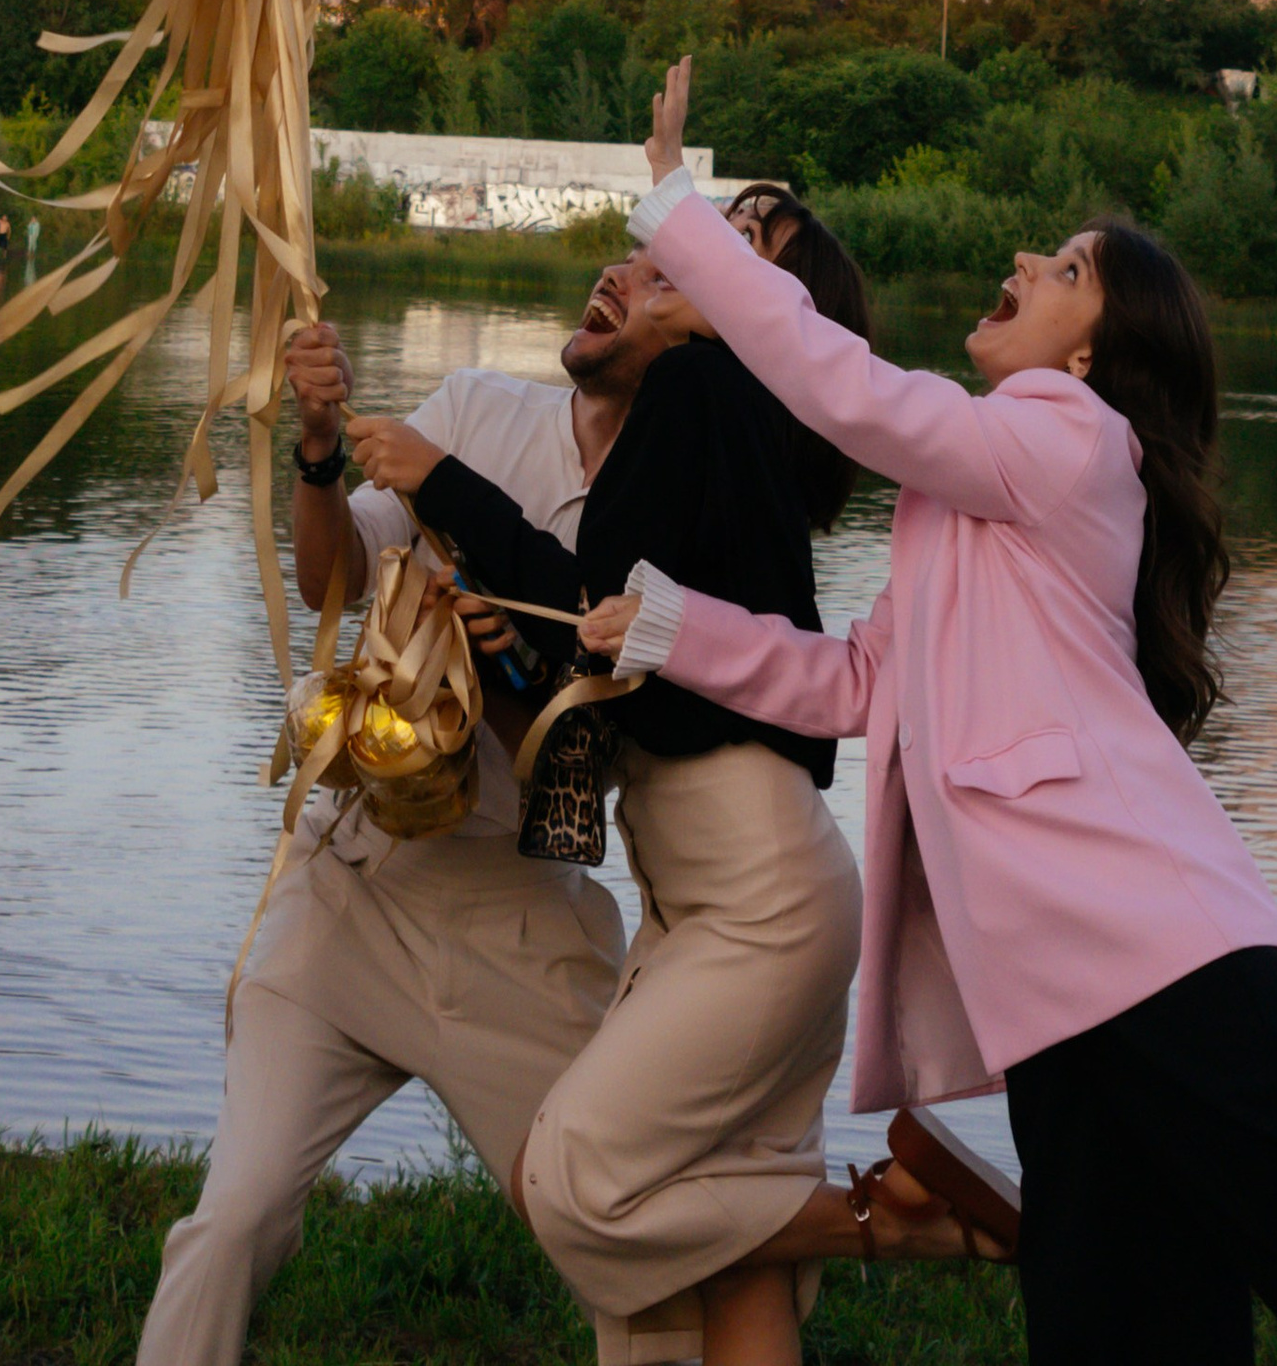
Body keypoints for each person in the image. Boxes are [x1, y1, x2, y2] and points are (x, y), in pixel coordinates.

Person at [582, 65, 1277, 1366]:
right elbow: (855, 681)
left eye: (1068, 268)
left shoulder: (1067, 441)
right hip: (1057, 1006)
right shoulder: (974, 501)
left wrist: (678, 206)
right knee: (1122, 1330)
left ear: (1088, 352)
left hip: (1164, 961)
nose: (1026, 258)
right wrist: (673, 627)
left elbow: (844, 387)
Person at [347, 187, 971, 1366]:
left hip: (756, 901)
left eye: (749, 244)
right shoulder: (727, 446)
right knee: (736, 1262)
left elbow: (592, 597)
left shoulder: (700, 389)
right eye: (717, 224)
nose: (695, 246)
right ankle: (837, 1229)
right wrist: (511, 641)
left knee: (573, 1181)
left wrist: (439, 476)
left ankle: (893, 1226)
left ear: (781, 319)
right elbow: (622, 651)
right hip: (737, 896)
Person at [136, 254, 710, 1366]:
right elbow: (331, 579)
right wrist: (315, 444)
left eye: (660, 280)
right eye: (626, 259)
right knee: (232, 1219)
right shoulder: (481, 408)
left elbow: (579, 780)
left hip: (514, 929)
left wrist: (504, 668)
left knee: (625, 1251)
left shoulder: (672, 527)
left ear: (700, 346)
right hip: (350, 890)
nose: (616, 273)